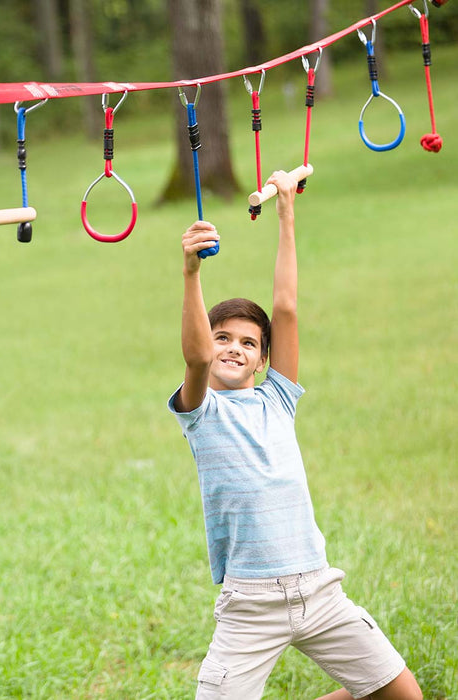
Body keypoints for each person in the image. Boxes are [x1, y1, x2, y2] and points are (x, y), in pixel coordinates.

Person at [167, 171, 422, 700]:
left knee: (402, 696)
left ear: (264, 360)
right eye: (222, 338)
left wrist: (286, 211)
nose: (232, 348)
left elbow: (285, 307)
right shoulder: (201, 409)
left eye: (247, 342)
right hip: (250, 604)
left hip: (318, 588)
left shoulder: (277, 399)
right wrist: (192, 272)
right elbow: (193, 355)